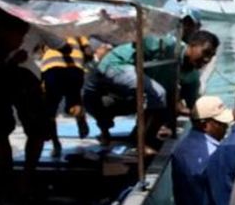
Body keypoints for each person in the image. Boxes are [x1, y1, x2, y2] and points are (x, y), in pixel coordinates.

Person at [83, 30, 219, 148]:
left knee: (162, 101)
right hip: (116, 66)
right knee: (159, 94)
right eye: (205, 52)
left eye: (211, 56)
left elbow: (194, 108)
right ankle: (143, 143)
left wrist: (207, 131)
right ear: (192, 45)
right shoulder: (169, 45)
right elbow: (144, 36)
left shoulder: (192, 77)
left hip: (130, 91)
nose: (207, 59)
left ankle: (137, 137)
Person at [0, 10, 49, 205]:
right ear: (2, 31)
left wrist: (10, 62)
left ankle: (27, 178)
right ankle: (5, 184)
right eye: (19, 36)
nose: (21, 42)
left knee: (38, 125)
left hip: (12, 76)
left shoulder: (11, 53)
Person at [172, 95, 234, 205]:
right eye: (220, 124)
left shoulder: (184, 148)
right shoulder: (208, 157)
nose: (226, 127)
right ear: (205, 124)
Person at [40, 37, 92, 158]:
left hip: (52, 65)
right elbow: (88, 50)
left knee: (50, 110)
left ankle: (56, 144)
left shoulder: (46, 26)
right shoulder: (75, 27)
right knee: (74, 101)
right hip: (75, 65)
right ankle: (79, 114)